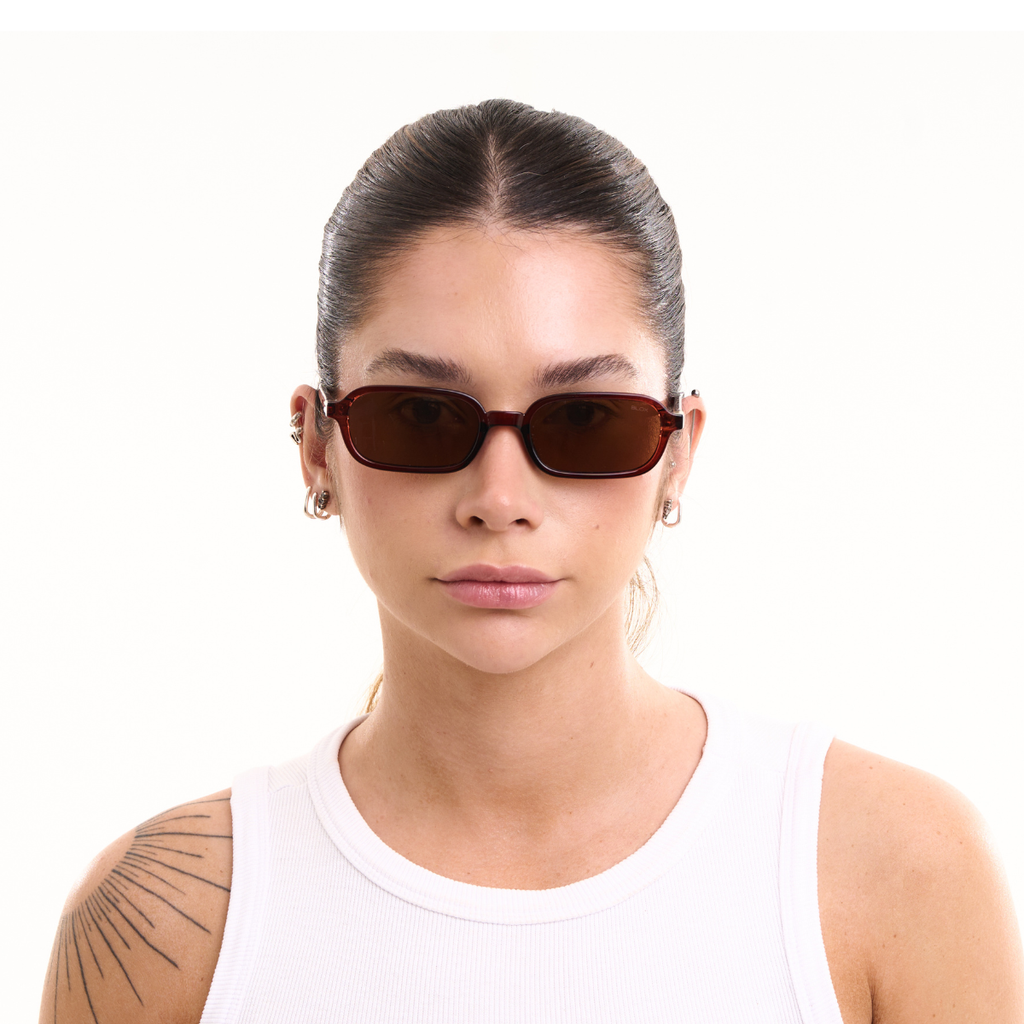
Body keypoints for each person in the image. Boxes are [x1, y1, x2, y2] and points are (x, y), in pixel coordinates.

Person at [40, 98, 1023, 1024]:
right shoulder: (165, 927)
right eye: (420, 415)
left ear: (678, 451)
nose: (499, 498)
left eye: (585, 419)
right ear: (316, 444)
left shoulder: (898, 871)